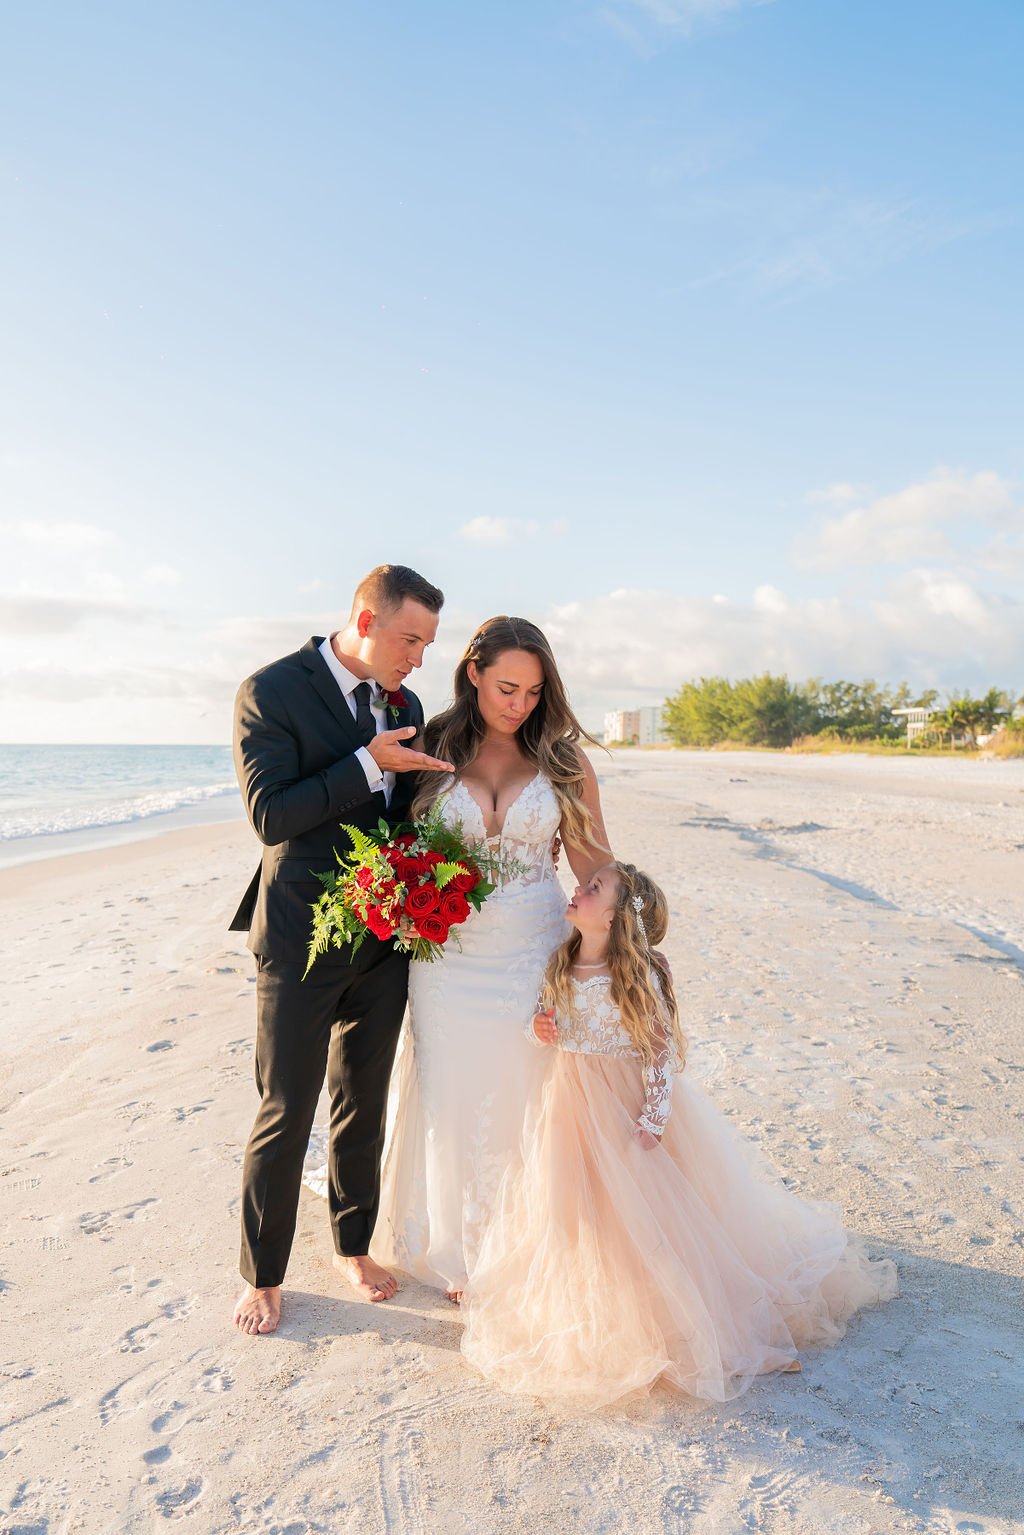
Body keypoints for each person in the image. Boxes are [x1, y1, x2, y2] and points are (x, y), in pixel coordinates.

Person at [460, 861, 898, 1409]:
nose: (579, 888)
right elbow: (544, 1021)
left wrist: (655, 1115)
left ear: (618, 918)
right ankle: (597, 1317)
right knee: (576, 1211)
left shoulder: (637, 975)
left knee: (648, 1217)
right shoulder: (561, 961)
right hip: (567, 1107)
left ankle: (693, 1325)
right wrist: (538, 1028)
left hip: (622, 1107)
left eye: (594, 889)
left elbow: (659, 1051)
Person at [228, 564, 453, 1335]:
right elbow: (270, 814)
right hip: (297, 937)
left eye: (427, 642)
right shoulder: (271, 690)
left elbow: (398, 815)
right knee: (286, 1108)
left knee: (364, 1100)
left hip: (384, 939)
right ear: (365, 617)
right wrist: (367, 765)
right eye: (410, 638)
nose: (418, 658)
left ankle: (353, 1243)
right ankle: (262, 1272)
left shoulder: (408, 703)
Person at [370, 616, 613, 1301]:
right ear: (472, 671)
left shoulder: (564, 761)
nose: (519, 704)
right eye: (507, 686)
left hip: (534, 949)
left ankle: (518, 1242)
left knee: (524, 1094)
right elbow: (392, 845)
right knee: (452, 1093)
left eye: (534, 692)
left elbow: (595, 859)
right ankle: (461, 1249)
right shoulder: (425, 744)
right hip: (446, 959)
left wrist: (618, 944)